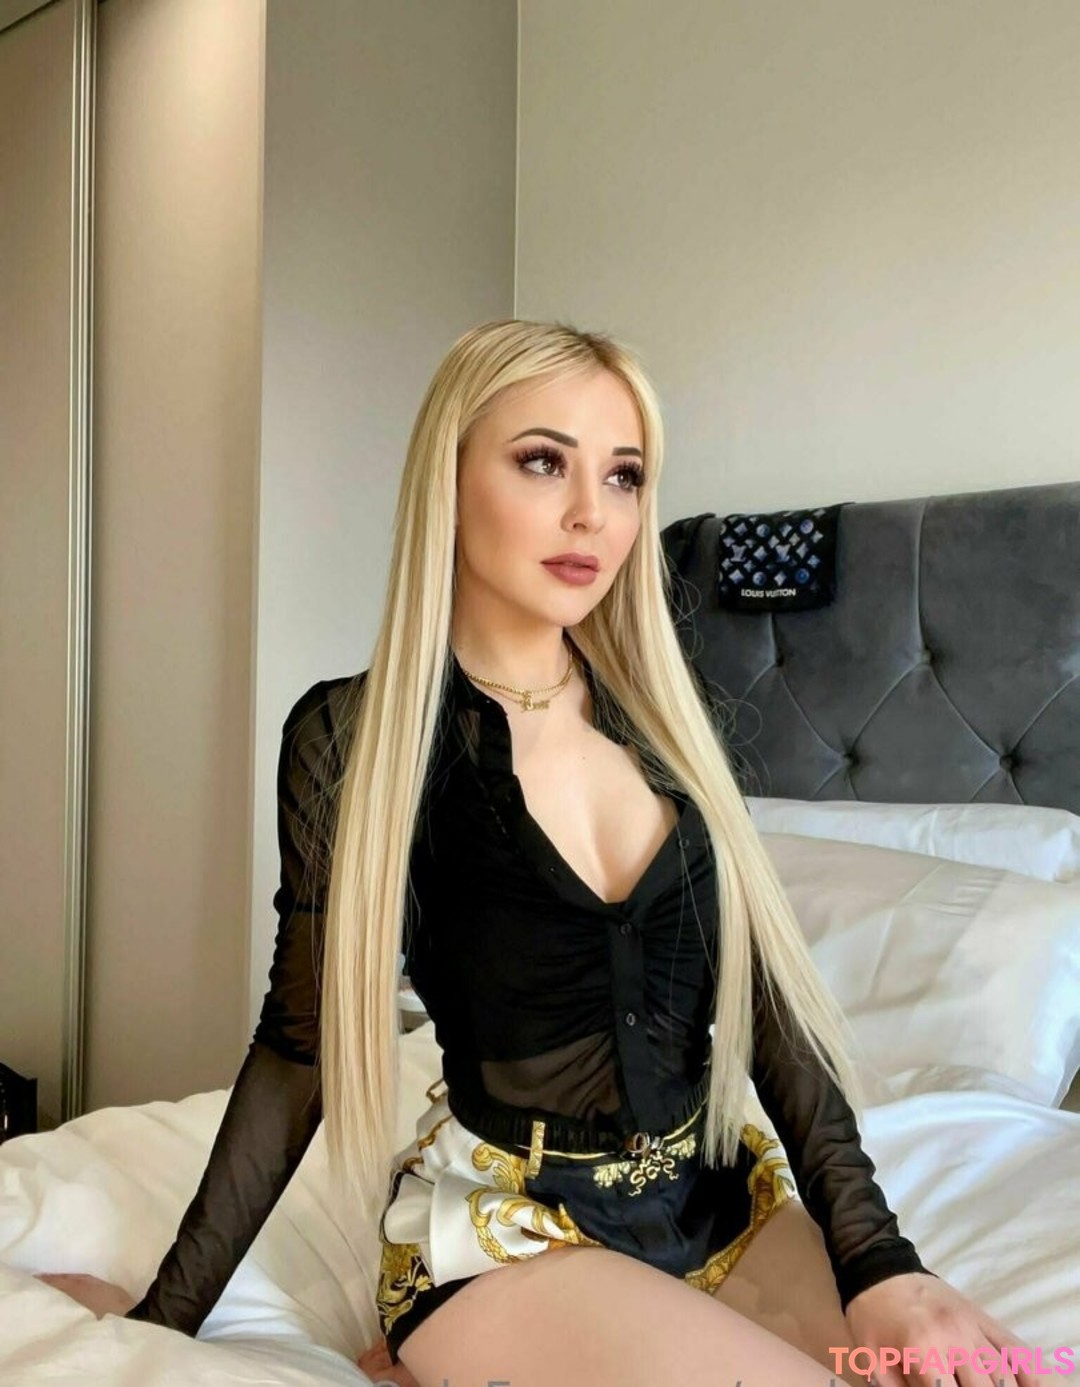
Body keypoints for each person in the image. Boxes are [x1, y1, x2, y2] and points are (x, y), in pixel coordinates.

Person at [38, 320, 1038, 1387]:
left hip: (710, 1208)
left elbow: (769, 1007)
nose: (591, 514)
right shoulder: (357, 739)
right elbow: (302, 1047)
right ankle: (456, 1338)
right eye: (543, 461)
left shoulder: (669, 722)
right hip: (510, 1234)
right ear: (450, 475)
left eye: (624, 475)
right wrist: (166, 1313)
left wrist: (882, 1262)